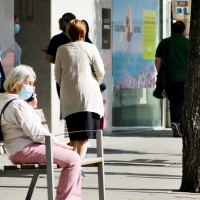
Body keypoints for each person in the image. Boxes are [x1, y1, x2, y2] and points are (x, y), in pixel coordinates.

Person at [0, 65, 81, 200]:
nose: (32, 87)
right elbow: (37, 133)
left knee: (72, 157)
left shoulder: (5, 100)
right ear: (15, 83)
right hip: (25, 149)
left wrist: (32, 107)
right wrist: (58, 144)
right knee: (73, 159)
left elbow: (34, 128)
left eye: (33, 84)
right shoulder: (18, 104)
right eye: (28, 83)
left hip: (17, 150)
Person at [55, 19, 104, 163]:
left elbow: (58, 76)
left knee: (74, 134)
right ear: (84, 32)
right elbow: (100, 71)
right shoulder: (91, 48)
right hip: (88, 97)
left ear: (68, 33)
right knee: (85, 135)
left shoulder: (61, 49)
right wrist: (94, 82)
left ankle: (73, 163)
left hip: (69, 97)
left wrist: (68, 85)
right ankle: (79, 164)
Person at [155, 21, 189, 137]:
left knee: (173, 101)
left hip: (168, 78)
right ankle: (176, 122)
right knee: (182, 101)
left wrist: (160, 74)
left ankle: (176, 126)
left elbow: (158, 61)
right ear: (183, 31)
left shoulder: (164, 43)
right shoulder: (188, 43)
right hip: (184, 78)